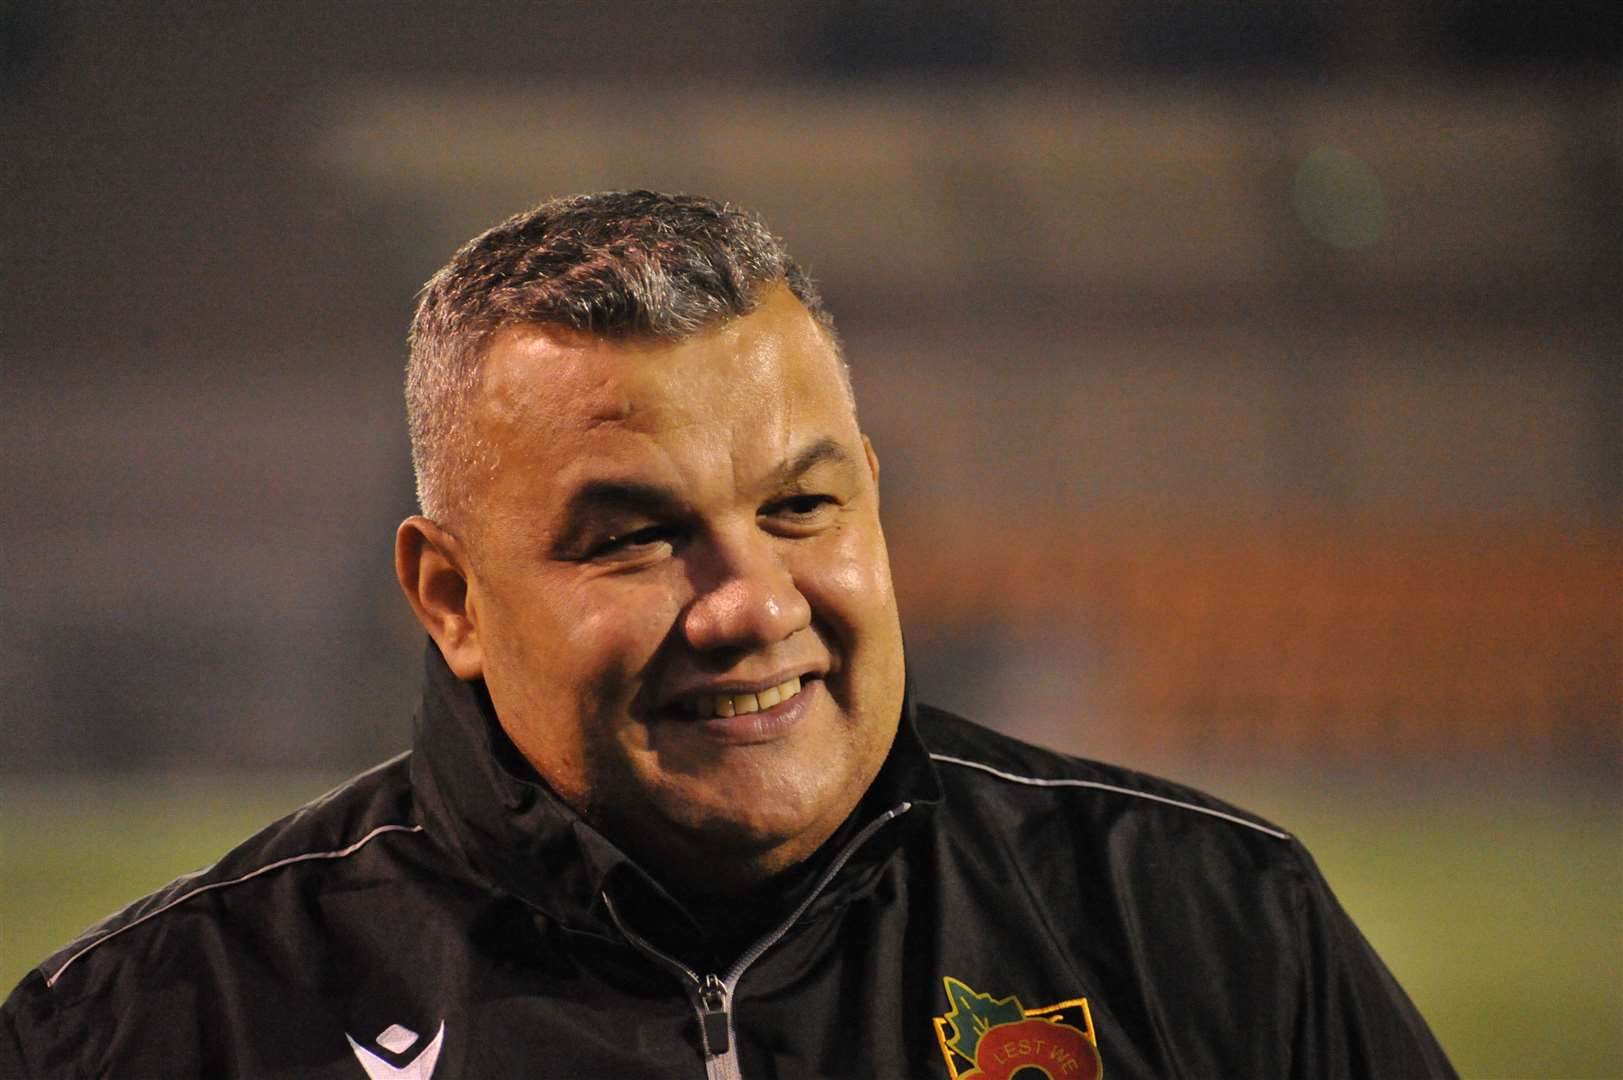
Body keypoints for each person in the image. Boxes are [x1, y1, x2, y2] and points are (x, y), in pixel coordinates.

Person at [1, 191, 1455, 1079]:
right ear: (447, 595)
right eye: (634, 535)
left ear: (873, 503)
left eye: (802, 507)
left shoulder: (1215, 928)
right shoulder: (158, 1026)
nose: (751, 602)